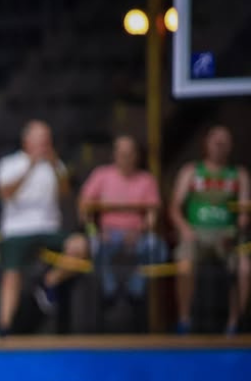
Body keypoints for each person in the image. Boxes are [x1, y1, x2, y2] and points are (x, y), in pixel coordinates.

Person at [0, 120, 88, 335]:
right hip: (17, 230)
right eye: (40, 139)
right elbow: (6, 193)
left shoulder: (56, 165)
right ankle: (4, 326)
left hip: (49, 228)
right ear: (26, 141)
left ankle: (48, 283)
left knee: (81, 246)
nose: (44, 144)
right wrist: (30, 166)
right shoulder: (10, 163)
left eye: (47, 139)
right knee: (11, 274)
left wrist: (54, 164)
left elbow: (66, 193)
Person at [169, 125, 251, 335]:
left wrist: (236, 228)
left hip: (227, 235)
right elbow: (174, 208)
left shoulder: (239, 175)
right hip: (195, 233)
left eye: (224, 143)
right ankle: (184, 320)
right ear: (206, 145)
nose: (220, 147)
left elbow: (244, 212)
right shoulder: (191, 171)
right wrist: (185, 229)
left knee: (243, 269)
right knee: (184, 264)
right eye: (216, 142)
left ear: (230, 147)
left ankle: (234, 323)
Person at [78, 135, 167, 307]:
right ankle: (109, 292)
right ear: (114, 154)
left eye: (129, 153)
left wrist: (140, 230)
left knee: (157, 247)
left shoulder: (146, 179)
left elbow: (152, 214)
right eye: (121, 153)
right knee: (94, 246)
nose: (125, 157)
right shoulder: (101, 175)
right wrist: (94, 231)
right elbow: (84, 207)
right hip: (107, 234)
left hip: (137, 235)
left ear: (136, 155)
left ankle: (135, 290)